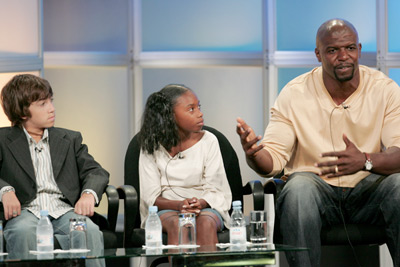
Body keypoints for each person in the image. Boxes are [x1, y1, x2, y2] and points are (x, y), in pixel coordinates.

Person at [236, 18, 400, 267]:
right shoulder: (294, 93)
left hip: (367, 193)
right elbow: (273, 161)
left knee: (399, 185)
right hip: (316, 193)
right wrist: (253, 153)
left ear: (359, 49)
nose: (343, 56)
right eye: (333, 50)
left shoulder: (384, 89)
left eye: (350, 48)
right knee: (299, 187)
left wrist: (365, 160)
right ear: (318, 54)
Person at [0, 74, 109, 266]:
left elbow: (96, 171)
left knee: (89, 231)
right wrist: (5, 191)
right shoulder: (3, 139)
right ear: (23, 112)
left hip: (64, 209)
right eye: (42, 104)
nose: (52, 108)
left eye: (51, 101)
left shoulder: (69, 139)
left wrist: (88, 194)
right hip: (25, 210)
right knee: (22, 232)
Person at [138, 84, 232, 245]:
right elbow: (150, 196)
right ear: (170, 115)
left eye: (199, 107)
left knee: (205, 223)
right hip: (165, 210)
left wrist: (198, 204)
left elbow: (216, 189)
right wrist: (179, 205)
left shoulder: (209, 141)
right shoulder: (151, 145)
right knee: (179, 224)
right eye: (191, 109)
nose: (200, 114)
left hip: (205, 207)